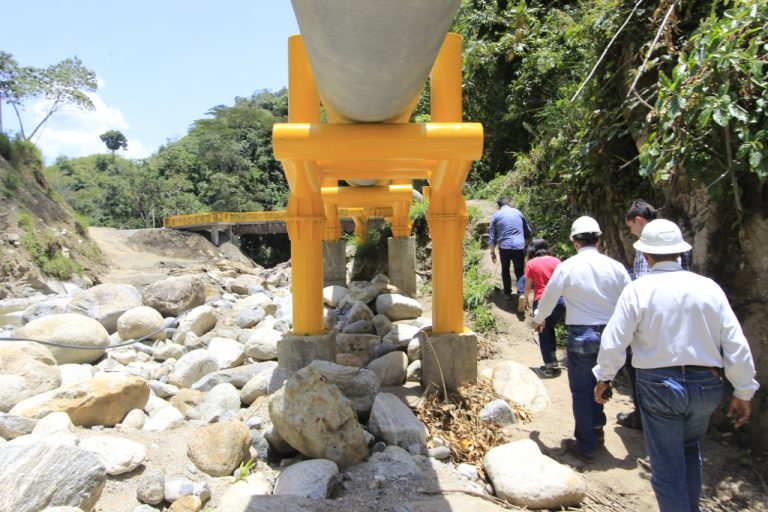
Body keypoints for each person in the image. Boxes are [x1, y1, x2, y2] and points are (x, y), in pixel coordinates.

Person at [593, 219, 758, 512]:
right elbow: (735, 342)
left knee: (666, 465)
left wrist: (605, 377)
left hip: (659, 385)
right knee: (689, 449)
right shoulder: (709, 288)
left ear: (645, 255)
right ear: (681, 253)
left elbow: (614, 340)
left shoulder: (638, 290)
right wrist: (743, 390)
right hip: (707, 386)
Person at [533, 216, 630, 463]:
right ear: (598, 239)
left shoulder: (567, 267)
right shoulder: (616, 267)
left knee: (582, 390)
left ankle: (586, 445)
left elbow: (549, 297)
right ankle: (596, 428)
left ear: (574, 241)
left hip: (582, 335)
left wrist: (539, 318)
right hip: (612, 334)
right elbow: (632, 300)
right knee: (603, 381)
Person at [616, 199, 659, 430]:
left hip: (649, 322)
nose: (631, 232)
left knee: (639, 369)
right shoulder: (675, 243)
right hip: (674, 322)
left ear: (639, 220)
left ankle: (643, 417)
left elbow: (643, 290)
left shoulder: (646, 248)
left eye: (631, 226)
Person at [519, 238, 565, 378]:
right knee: (550, 330)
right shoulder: (557, 261)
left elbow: (528, 285)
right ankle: (553, 362)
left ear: (532, 249)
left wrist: (525, 299)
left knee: (543, 333)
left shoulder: (531, 263)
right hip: (560, 301)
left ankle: (548, 368)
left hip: (542, 301)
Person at [489, 197, 532, 303]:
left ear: (499, 206)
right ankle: (521, 294)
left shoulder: (496, 216)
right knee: (519, 271)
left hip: (504, 247)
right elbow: (528, 231)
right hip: (519, 246)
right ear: (509, 204)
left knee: (505, 269)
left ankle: (507, 294)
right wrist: (525, 245)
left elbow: (492, 236)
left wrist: (492, 252)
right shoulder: (518, 212)